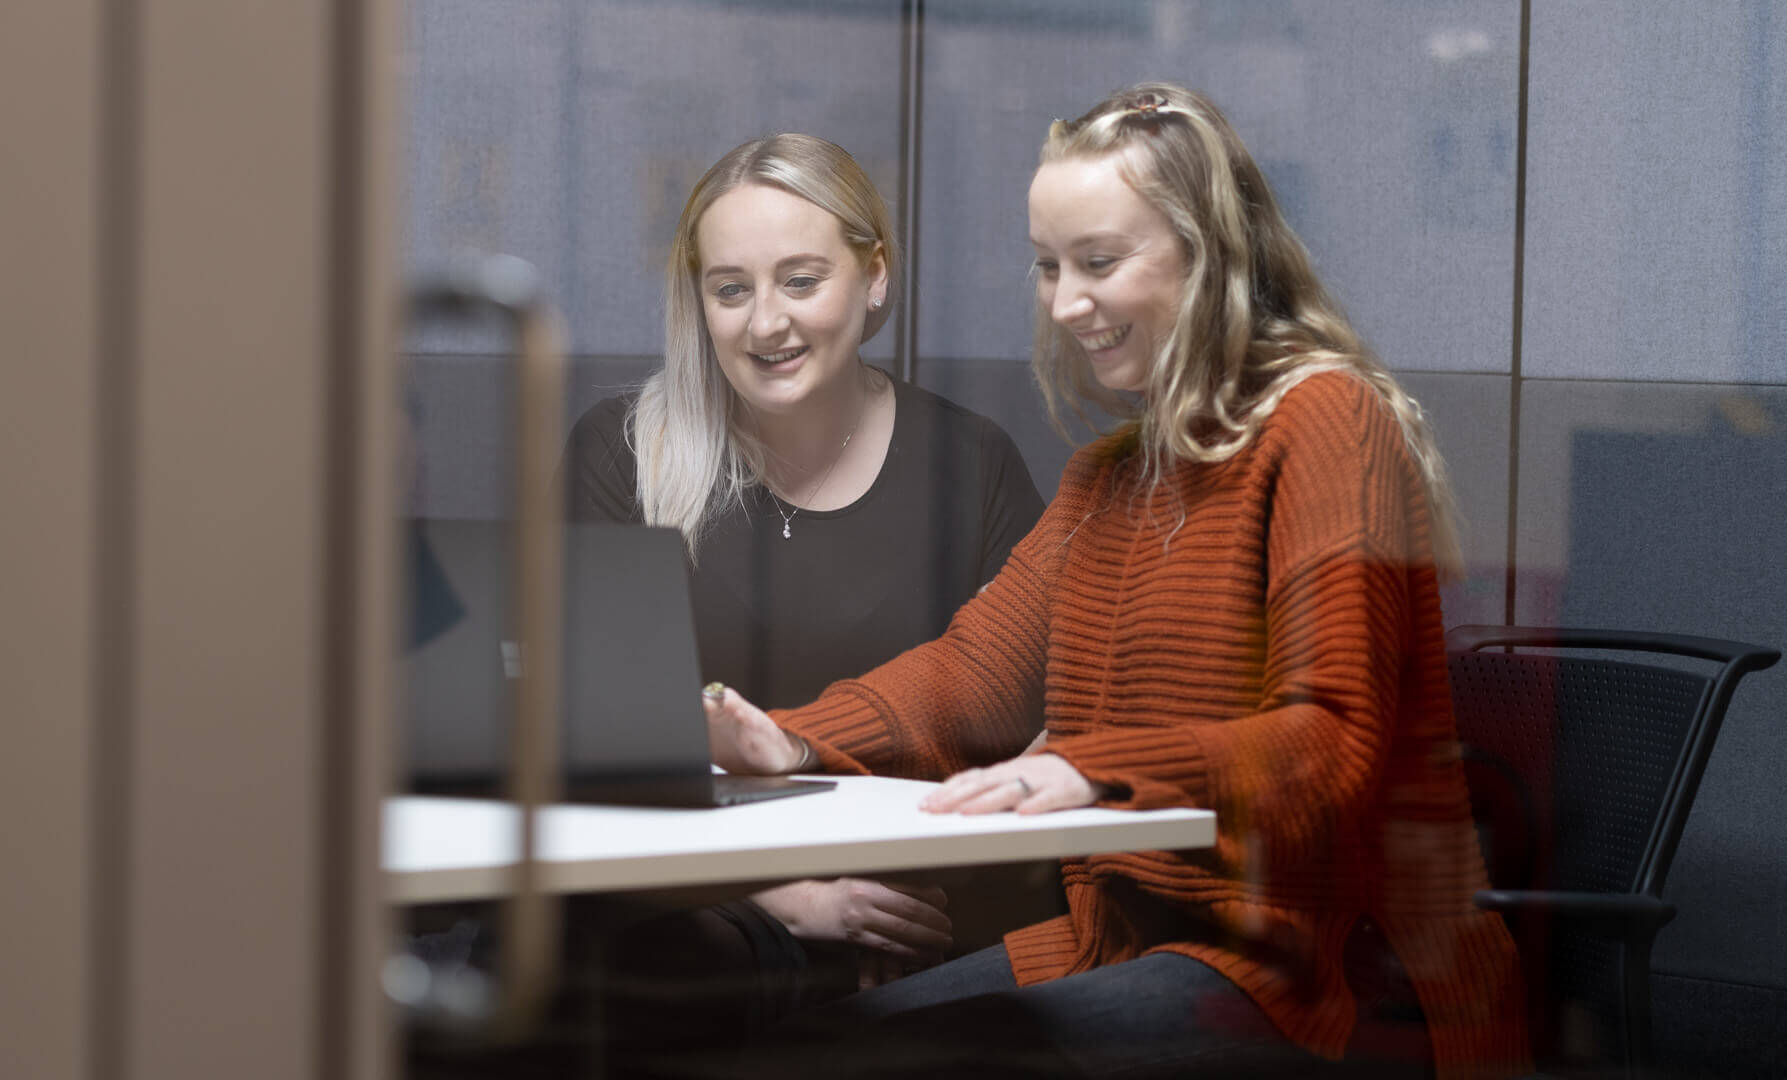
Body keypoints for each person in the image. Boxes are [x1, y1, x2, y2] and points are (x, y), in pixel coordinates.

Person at [698, 83, 1532, 1079]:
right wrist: (791, 738)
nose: (1064, 302)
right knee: (794, 1052)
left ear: (1207, 251)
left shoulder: (1326, 422)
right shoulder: (1111, 476)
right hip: (1116, 949)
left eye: (1098, 262)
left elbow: (1330, 743)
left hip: (1318, 984)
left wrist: (1093, 767)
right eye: (1049, 267)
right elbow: (972, 677)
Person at [561, 134, 1049, 1039]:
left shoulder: (970, 464)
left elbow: (1020, 726)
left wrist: (888, 886)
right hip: (677, 904)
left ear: (874, 277)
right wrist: (787, 890)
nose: (765, 324)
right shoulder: (623, 451)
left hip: (914, 901)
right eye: (731, 288)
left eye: (800, 280)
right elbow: (586, 741)